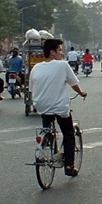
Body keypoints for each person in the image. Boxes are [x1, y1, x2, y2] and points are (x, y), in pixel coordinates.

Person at [28, 38, 87, 177]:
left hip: (41, 105)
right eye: (60, 50)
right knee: (68, 133)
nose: (62, 53)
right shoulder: (62, 65)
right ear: (52, 52)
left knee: (47, 128)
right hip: (59, 107)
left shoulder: (36, 68)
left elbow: (31, 88)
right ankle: (69, 166)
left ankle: (45, 145)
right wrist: (82, 92)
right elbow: (74, 84)